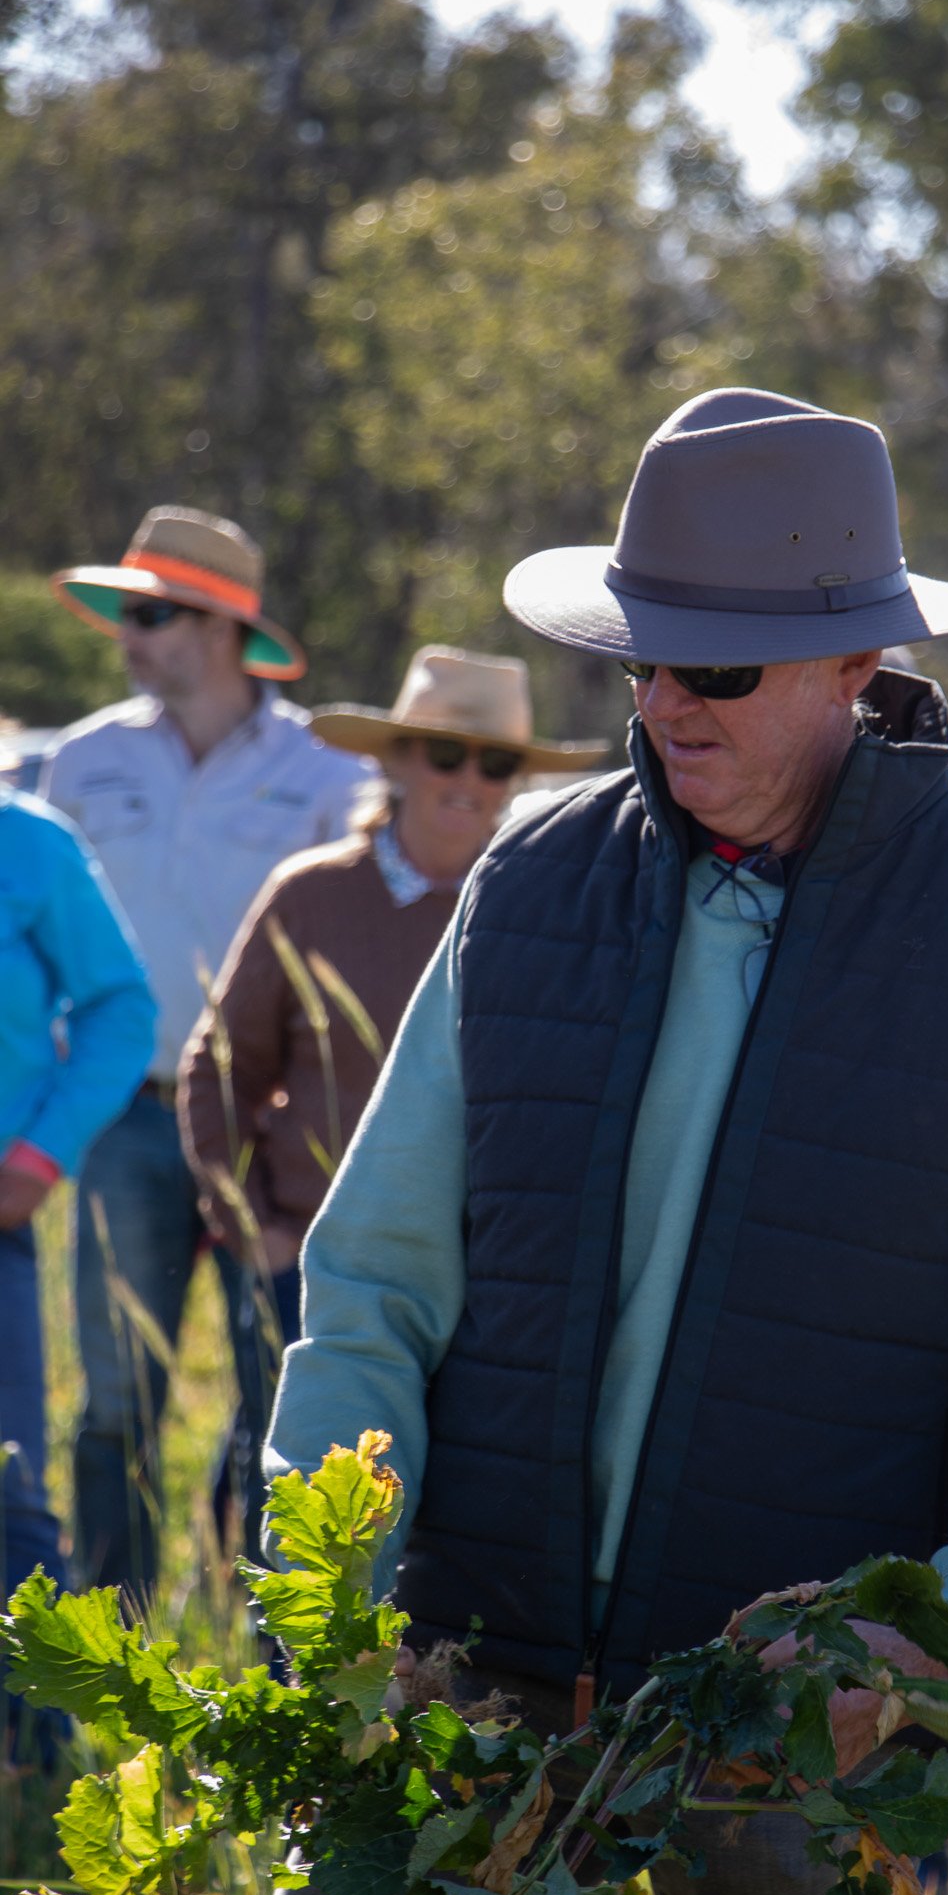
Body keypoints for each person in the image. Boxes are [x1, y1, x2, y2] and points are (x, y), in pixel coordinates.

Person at [258, 388, 948, 1895]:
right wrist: (339, 1582)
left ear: (854, 667)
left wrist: (934, 1637)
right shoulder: (528, 887)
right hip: (466, 1647)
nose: (667, 701)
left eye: (719, 667)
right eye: (641, 657)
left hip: (797, 1716)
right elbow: (375, 1282)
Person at [178, 646, 606, 1565]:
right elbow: (220, 1068)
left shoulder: (549, 911)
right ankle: (277, 1682)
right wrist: (252, 1226)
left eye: (495, 764)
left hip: (486, 1277)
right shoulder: (313, 894)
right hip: (313, 1252)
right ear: (397, 760)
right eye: (445, 756)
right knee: (295, 1492)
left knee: (437, 1501)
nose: (470, 782)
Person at [40, 506, 367, 1600]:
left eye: (152, 611)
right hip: (124, 1114)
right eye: (124, 611)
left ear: (225, 627)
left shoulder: (325, 770)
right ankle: (107, 1637)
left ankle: (245, 1626)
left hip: (271, 1125)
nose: (127, 633)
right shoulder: (80, 763)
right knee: (114, 1402)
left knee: (276, 1393)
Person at [1, 779, 155, 1759]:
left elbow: (119, 1008)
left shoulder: (29, 847)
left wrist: (39, 1152)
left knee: (7, 1491)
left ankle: (37, 1779)